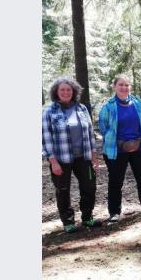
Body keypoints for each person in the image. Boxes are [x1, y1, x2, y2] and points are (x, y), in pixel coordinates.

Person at [42, 77, 101, 233]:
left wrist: (93, 155)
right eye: (62, 89)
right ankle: (68, 221)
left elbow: (90, 132)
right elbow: (45, 138)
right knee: (63, 190)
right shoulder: (49, 111)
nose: (66, 92)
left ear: (73, 91)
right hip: (61, 158)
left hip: (84, 157)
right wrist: (53, 161)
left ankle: (87, 217)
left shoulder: (82, 108)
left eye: (69, 89)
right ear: (56, 92)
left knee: (89, 186)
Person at [98, 75, 141, 221]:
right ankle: (114, 212)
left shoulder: (137, 103)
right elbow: (103, 128)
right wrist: (119, 142)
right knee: (115, 181)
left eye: (126, 85)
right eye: (121, 85)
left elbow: (140, 124)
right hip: (117, 150)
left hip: (139, 148)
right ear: (115, 87)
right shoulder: (108, 106)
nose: (124, 87)